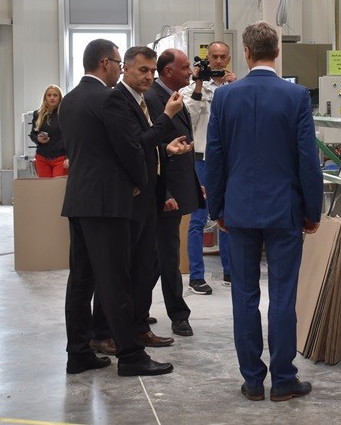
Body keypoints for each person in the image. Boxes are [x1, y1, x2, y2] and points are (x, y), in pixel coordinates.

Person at [206, 21, 323, 402]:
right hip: (284, 211)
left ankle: (253, 380)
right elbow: (308, 160)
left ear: (245, 52)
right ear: (277, 51)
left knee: (244, 295)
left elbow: (215, 158)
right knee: (283, 295)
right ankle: (284, 379)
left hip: (239, 210)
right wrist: (313, 210)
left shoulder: (225, 98)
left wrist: (217, 207)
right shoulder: (296, 97)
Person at [59, 38, 172, 377]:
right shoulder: (109, 99)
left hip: (78, 199)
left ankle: (78, 353)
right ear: (105, 63)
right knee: (115, 281)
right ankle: (131, 356)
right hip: (108, 202)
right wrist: (138, 180)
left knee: (81, 281)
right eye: (119, 63)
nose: (120, 69)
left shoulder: (69, 100)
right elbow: (130, 148)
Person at [89, 46, 191, 356]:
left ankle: (139, 326)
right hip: (129, 198)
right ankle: (104, 332)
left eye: (152, 71)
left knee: (145, 266)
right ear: (125, 69)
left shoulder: (141, 101)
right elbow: (133, 147)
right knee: (120, 270)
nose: (148, 76)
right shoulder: (118, 101)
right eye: (142, 70)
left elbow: (146, 146)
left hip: (148, 196)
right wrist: (167, 118)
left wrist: (165, 150)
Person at [144, 48, 205, 337]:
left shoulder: (174, 96)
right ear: (168, 71)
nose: (190, 72)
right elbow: (152, 150)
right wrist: (165, 191)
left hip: (178, 186)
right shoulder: (153, 99)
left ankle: (137, 309)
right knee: (168, 256)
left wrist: (193, 182)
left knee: (159, 256)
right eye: (184, 68)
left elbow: (183, 145)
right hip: (163, 192)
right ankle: (179, 314)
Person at [181, 41, 236, 294]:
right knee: (198, 219)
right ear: (207, 59)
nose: (218, 61)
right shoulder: (191, 89)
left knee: (226, 216)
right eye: (214, 56)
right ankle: (196, 277)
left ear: (229, 59)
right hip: (200, 160)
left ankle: (230, 271)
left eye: (222, 56)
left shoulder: (236, 89)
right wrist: (198, 85)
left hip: (227, 161)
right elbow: (188, 120)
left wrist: (233, 88)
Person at [29, 85, 67, 178]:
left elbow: (71, 137)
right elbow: (33, 134)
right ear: (45, 97)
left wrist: (69, 157)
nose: (52, 98)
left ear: (60, 97)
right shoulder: (38, 114)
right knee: (45, 186)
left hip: (60, 158)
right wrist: (38, 139)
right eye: (49, 95)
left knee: (58, 185)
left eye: (55, 95)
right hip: (42, 157)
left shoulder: (65, 114)